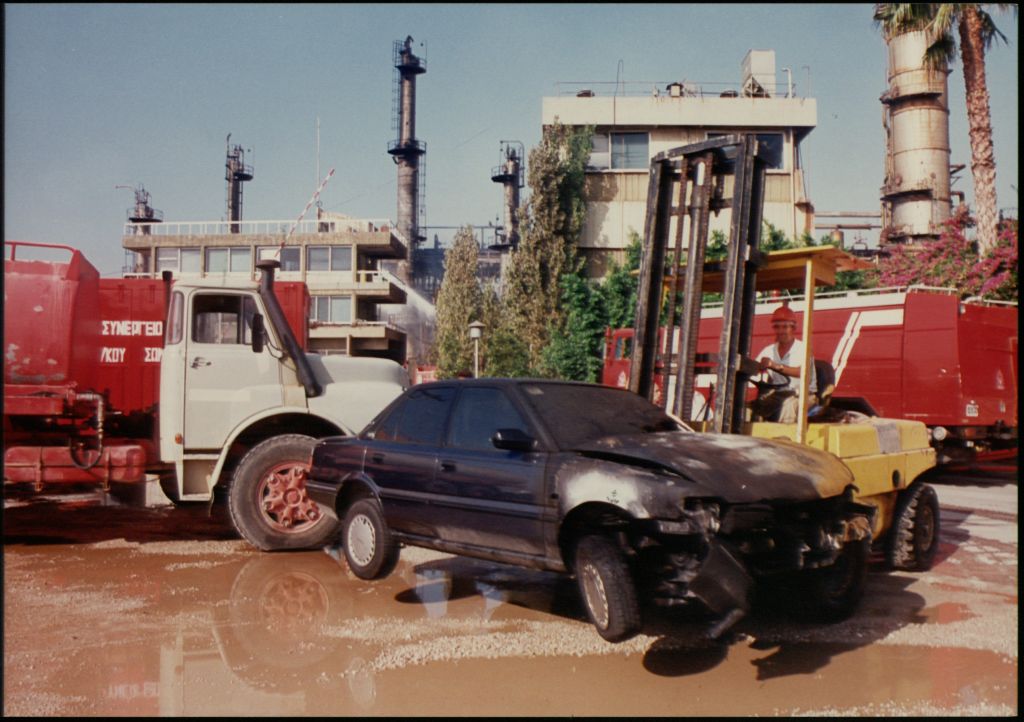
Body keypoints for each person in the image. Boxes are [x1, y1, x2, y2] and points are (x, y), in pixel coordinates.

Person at [754, 304, 816, 423]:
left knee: (788, 406)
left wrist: (775, 366)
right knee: (751, 407)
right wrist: (754, 367)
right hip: (778, 395)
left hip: (803, 395)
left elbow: (802, 372)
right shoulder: (769, 350)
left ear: (793, 328)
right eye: (777, 327)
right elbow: (755, 367)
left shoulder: (803, 348)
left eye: (785, 327)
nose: (781, 331)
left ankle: (783, 439)